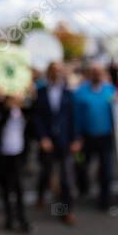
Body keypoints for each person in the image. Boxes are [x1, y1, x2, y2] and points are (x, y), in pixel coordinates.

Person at [32, 61, 77, 225]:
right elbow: (36, 117)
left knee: (66, 178)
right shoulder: (41, 92)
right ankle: (41, 193)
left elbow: (72, 118)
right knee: (46, 172)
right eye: (54, 71)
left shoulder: (68, 94)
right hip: (48, 142)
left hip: (64, 141)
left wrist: (75, 139)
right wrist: (42, 137)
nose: (57, 73)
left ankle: (66, 211)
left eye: (59, 70)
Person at [73, 63, 118, 214]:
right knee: (81, 165)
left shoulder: (110, 90)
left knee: (106, 170)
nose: (97, 74)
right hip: (86, 137)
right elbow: (76, 116)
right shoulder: (80, 92)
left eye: (99, 71)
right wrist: (77, 137)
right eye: (94, 71)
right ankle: (83, 189)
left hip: (105, 137)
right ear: (89, 74)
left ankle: (105, 202)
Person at [0, 93, 31, 233]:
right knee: (6, 189)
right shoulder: (2, 112)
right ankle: (9, 218)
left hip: (18, 155)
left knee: (19, 189)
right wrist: (5, 107)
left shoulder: (23, 113)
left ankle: (22, 219)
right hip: (4, 156)